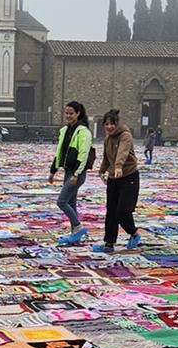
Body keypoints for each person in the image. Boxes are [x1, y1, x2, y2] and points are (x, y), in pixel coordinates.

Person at [94, 110, 140, 253]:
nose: (109, 127)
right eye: (107, 124)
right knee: (111, 211)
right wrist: (102, 170)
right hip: (114, 178)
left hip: (128, 176)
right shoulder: (107, 140)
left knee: (122, 211)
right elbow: (107, 157)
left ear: (117, 123)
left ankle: (134, 233)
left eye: (112, 124)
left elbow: (123, 151)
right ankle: (109, 243)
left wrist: (119, 166)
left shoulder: (125, 136)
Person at [52, 101, 94, 246]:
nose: (68, 116)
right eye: (67, 113)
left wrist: (76, 174)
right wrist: (53, 170)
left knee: (61, 202)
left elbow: (83, 154)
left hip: (77, 173)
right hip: (68, 171)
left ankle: (78, 227)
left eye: (71, 113)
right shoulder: (65, 130)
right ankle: (75, 238)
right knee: (71, 203)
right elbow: (59, 152)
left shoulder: (83, 132)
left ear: (78, 114)